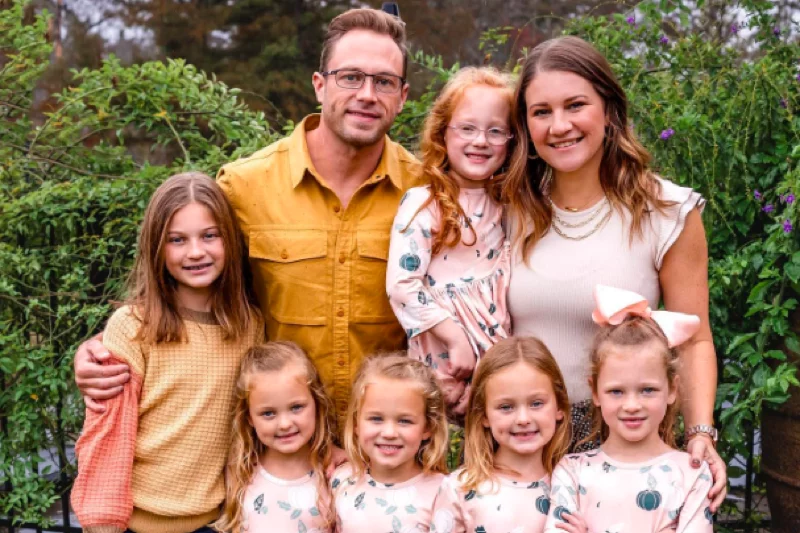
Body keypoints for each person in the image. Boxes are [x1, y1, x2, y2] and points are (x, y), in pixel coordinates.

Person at [73, 8, 419, 419]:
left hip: (386, 441)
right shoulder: (245, 186)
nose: (367, 94)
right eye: (351, 77)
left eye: (384, 82)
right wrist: (104, 348)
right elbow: (186, 280)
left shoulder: (429, 192)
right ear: (320, 85)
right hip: (281, 441)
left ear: (402, 96)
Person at [501, 35, 727, 509]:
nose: (559, 126)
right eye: (541, 112)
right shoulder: (506, 210)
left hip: (622, 441)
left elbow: (694, 339)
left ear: (608, 110)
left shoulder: (666, 211)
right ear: (525, 125)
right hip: (519, 441)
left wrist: (700, 433)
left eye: (575, 105)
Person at [70, 173, 264, 533]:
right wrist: (103, 525)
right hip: (133, 523)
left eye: (210, 235)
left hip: (215, 521)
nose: (196, 251)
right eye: (177, 240)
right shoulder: (132, 327)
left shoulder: (249, 326)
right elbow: (107, 438)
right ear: (157, 247)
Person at [386, 67, 514, 417]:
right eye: (467, 128)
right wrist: (455, 338)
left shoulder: (510, 204)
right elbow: (401, 285)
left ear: (512, 140)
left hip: (497, 363)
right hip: (444, 357)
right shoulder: (424, 203)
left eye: (496, 131)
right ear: (443, 133)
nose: (481, 141)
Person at [544, 285, 713, 533]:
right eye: (616, 391)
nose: (632, 405)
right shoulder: (572, 472)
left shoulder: (692, 474)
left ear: (672, 389)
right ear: (595, 392)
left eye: (647, 390)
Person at [430, 336, 586, 533]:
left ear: (559, 407)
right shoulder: (460, 488)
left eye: (536, 403)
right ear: (484, 415)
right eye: (506, 407)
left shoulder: (576, 487)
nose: (523, 419)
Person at [214, 342, 337, 533]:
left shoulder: (333, 474)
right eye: (268, 413)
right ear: (250, 418)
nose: (285, 424)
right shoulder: (242, 470)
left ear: (316, 403)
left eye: (296, 407)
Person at [331, 353, 449, 532]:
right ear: (356, 424)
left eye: (404, 421)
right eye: (376, 419)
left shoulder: (442, 492)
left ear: (428, 427)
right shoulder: (342, 480)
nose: (389, 433)